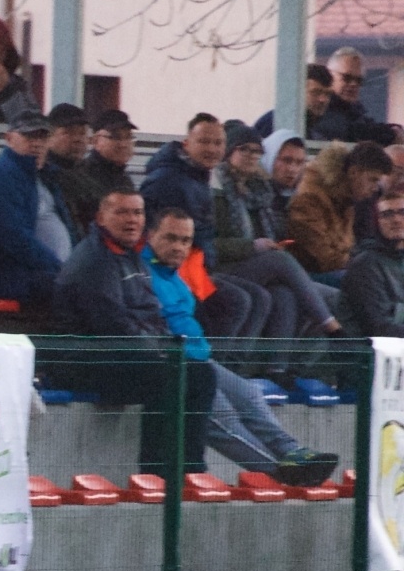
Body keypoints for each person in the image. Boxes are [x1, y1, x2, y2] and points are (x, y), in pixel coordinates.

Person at [143, 207, 338, 484]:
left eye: (185, 241)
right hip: (178, 364)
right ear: (151, 236)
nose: (179, 247)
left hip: (200, 358)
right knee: (225, 420)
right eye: (171, 238)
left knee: (249, 395)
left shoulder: (175, 273)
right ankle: (279, 470)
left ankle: (294, 452)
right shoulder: (142, 272)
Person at [51, 187, 217, 474]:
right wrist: (163, 351)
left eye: (138, 212)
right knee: (172, 375)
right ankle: (157, 474)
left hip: (129, 353)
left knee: (200, 374)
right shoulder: (94, 261)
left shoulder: (130, 255)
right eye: (122, 212)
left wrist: (163, 345)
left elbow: (152, 311)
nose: (132, 219)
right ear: (101, 217)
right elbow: (112, 325)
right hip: (87, 361)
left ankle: (188, 471)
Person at [140, 112, 271, 341]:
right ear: (187, 144)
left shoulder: (198, 177)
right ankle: (213, 365)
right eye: (204, 142)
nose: (211, 149)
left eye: (218, 143)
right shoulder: (167, 179)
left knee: (261, 297)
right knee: (238, 301)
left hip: (199, 267)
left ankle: (232, 369)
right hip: (172, 271)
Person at [211, 122, 342, 341]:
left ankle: (280, 370)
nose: (252, 155)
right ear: (229, 151)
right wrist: (253, 246)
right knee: (278, 262)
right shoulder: (216, 190)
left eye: (256, 150)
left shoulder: (259, 191)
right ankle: (331, 326)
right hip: (225, 267)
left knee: (289, 295)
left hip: (259, 265)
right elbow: (210, 245)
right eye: (244, 149)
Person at [0, 109, 62, 316]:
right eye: (29, 136)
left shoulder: (42, 176)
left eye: (43, 137)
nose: (37, 143)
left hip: (38, 282)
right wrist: (59, 268)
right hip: (11, 287)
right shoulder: (0, 177)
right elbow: (13, 236)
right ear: (9, 138)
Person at [287, 140, 393, 277]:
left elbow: (348, 249)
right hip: (309, 276)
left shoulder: (346, 197)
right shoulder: (310, 198)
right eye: (372, 179)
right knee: (369, 280)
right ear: (354, 172)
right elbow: (324, 259)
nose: (375, 188)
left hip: (340, 269)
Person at [338, 186, 404, 337]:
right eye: (387, 214)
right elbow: (378, 326)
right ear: (377, 222)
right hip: (371, 353)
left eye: (402, 212)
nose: (396, 219)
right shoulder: (365, 264)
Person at [67, 108, 138, 234]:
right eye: (115, 137)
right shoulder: (82, 177)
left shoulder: (124, 179)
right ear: (95, 140)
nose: (123, 144)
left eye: (128, 137)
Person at [316, 48, 400, 146]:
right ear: (330, 75)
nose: (353, 84)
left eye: (359, 80)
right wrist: (392, 134)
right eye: (347, 78)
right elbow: (352, 131)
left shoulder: (355, 111)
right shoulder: (321, 106)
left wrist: (395, 130)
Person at [43, 102, 91, 244]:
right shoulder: (44, 175)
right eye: (68, 132)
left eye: (82, 133)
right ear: (49, 136)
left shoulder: (86, 174)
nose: (78, 139)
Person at [252, 64, 339, 140]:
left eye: (327, 94)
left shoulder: (318, 130)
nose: (323, 100)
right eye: (315, 92)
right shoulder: (275, 122)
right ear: (298, 92)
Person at [262, 129, 306, 225]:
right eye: (287, 160)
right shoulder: (253, 197)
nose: (293, 169)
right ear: (269, 158)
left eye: (299, 162)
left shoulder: (306, 200)